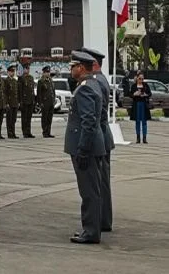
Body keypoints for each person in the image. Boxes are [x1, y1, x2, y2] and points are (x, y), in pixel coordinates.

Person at [63, 50, 105, 244]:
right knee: (91, 190)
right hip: (90, 146)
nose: (70, 70)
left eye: (73, 66)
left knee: (88, 191)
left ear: (81, 68)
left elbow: (89, 121)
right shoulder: (90, 85)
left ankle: (90, 231)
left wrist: (82, 149)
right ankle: (91, 228)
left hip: (86, 148)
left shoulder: (87, 88)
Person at [80, 46, 114, 232]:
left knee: (99, 182)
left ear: (93, 64)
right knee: (102, 181)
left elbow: (93, 115)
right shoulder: (101, 80)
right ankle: (103, 220)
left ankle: (102, 221)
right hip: (102, 134)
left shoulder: (96, 82)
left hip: (99, 136)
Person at [128, 72, 151, 144]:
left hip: (144, 104)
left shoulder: (145, 85)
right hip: (137, 104)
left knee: (144, 121)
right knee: (137, 121)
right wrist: (134, 94)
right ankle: (138, 138)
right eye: (140, 78)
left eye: (142, 79)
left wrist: (145, 95)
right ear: (137, 78)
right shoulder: (134, 86)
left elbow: (150, 94)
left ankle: (144, 138)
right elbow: (130, 94)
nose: (141, 80)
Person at [37, 66, 56, 138]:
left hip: (51, 102)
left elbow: (53, 91)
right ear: (43, 73)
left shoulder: (50, 80)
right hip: (45, 103)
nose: (48, 74)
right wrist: (40, 103)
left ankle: (48, 132)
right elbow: (39, 93)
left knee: (49, 118)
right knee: (44, 118)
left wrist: (54, 99)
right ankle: (44, 132)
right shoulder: (41, 81)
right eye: (46, 72)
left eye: (48, 72)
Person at [19, 62, 36, 138]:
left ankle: (28, 132)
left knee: (29, 118)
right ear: (23, 69)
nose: (27, 70)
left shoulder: (31, 78)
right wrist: (21, 101)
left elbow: (32, 89)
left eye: (28, 68)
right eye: (26, 68)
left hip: (30, 100)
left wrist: (33, 99)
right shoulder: (21, 78)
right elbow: (20, 91)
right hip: (24, 101)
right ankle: (25, 132)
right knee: (24, 118)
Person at [4, 64, 20, 139]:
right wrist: (6, 103)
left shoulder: (14, 81)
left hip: (15, 103)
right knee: (9, 119)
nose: (13, 73)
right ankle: (9, 133)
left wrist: (18, 102)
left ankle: (13, 132)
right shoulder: (6, 81)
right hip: (9, 103)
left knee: (14, 119)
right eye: (11, 71)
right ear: (8, 72)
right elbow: (5, 93)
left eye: (13, 71)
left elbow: (17, 92)